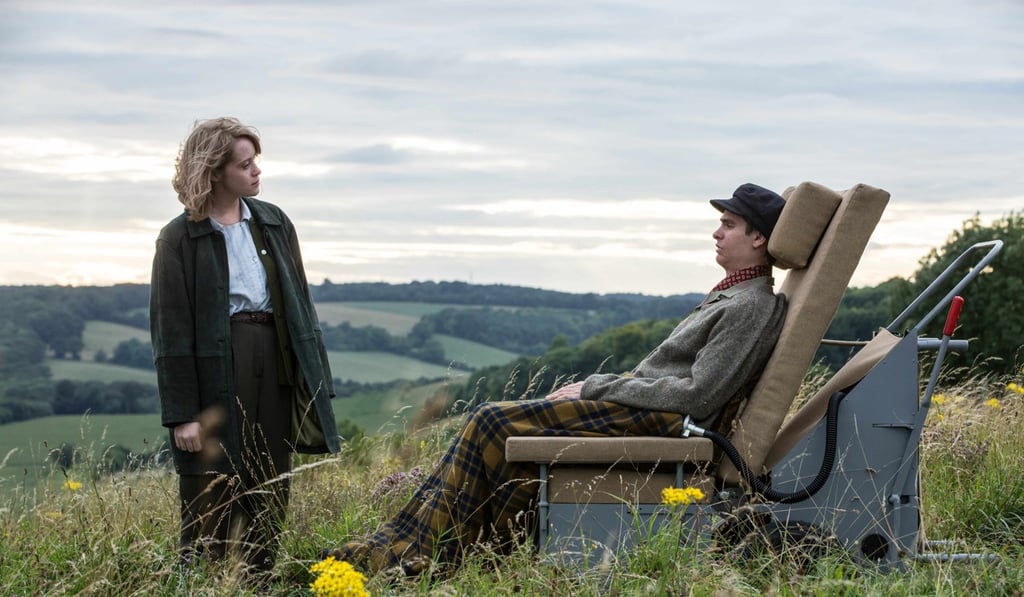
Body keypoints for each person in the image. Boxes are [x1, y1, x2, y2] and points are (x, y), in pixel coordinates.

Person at [324, 183, 789, 575]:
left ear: (758, 240)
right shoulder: (734, 297)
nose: (716, 231)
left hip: (662, 422)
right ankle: (410, 547)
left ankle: (412, 554)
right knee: (495, 432)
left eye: (728, 224)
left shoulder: (748, 306)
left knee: (490, 420)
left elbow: (698, 395)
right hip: (645, 411)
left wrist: (596, 386)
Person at [150, 117, 341, 574]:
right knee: (210, 477)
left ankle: (260, 577)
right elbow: (170, 329)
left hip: (273, 357)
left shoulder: (274, 221)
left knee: (270, 472)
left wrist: (316, 380)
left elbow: (301, 303)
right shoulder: (179, 237)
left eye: (256, 162)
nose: (256, 171)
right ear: (215, 171)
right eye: (245, 164)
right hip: (216, 362)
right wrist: (182, 414)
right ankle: (206, 578)